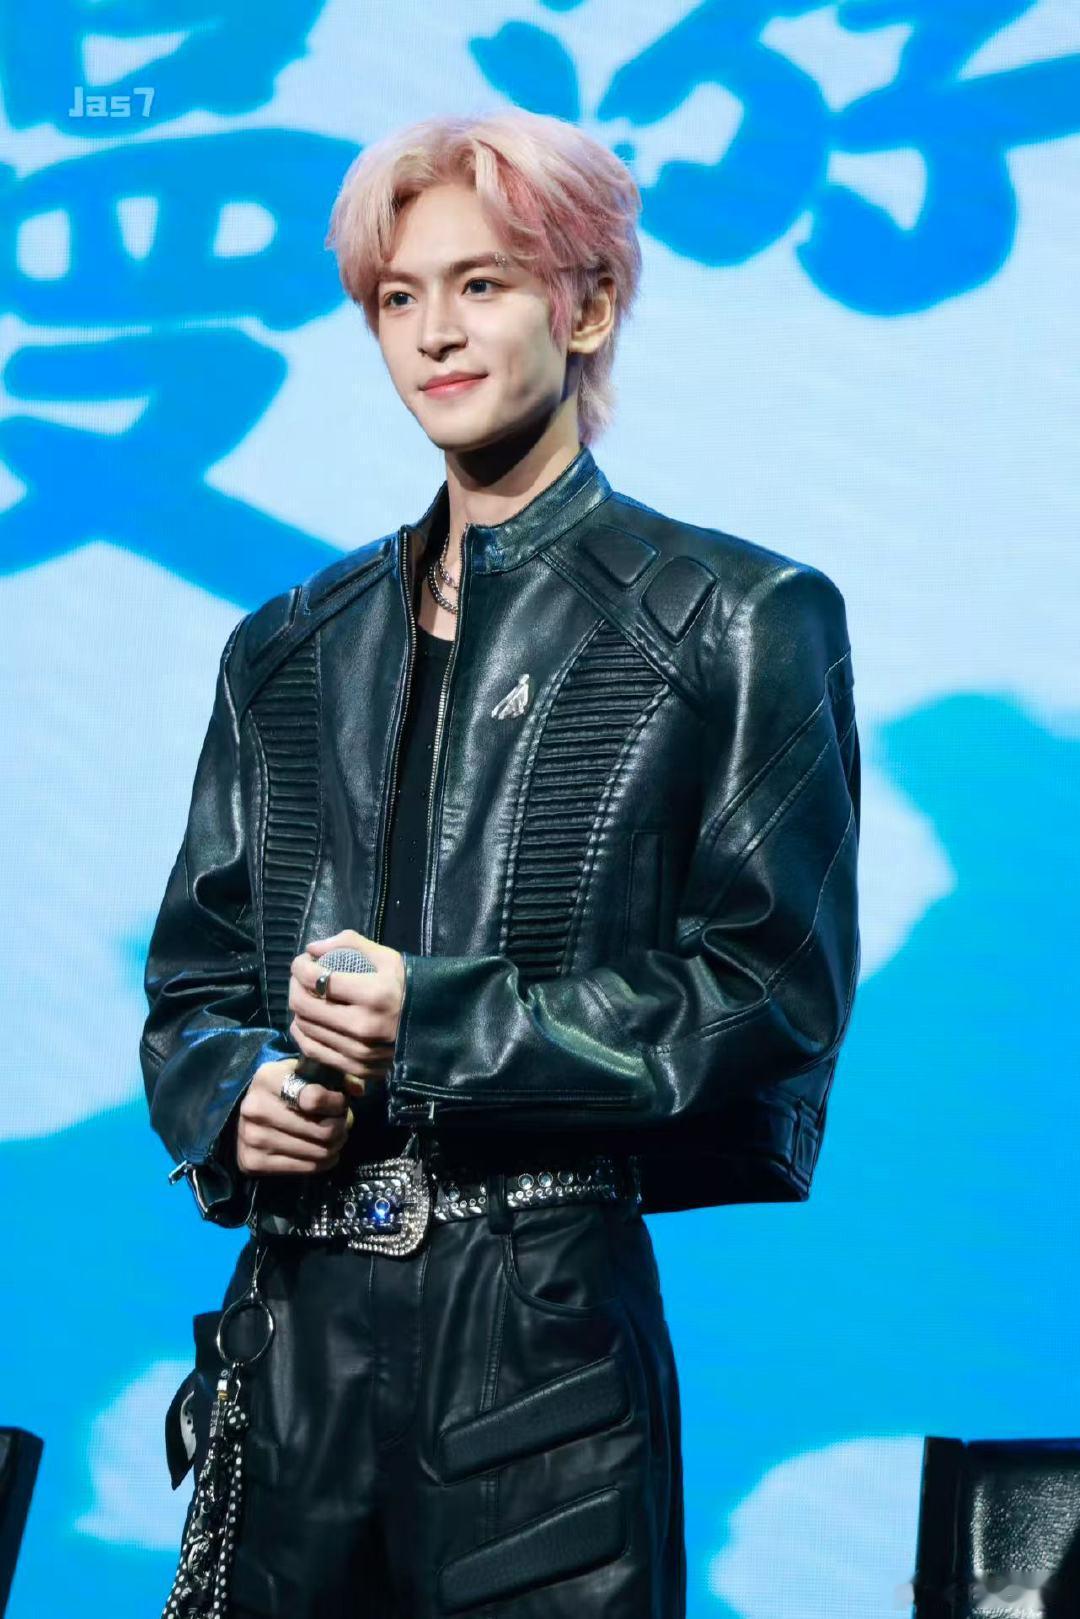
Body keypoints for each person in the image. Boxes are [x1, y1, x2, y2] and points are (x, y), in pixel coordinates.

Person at [141, 108, 861, 1619]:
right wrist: (231, 1098)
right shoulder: (286, 648)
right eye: (398, 297)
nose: (435, 334)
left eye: (483, 285)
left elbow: (770, 995)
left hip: (538, 1340)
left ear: (586, 306)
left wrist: (440, 1021)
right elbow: (193, 986)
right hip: (292, 1339)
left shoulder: (735, 617)